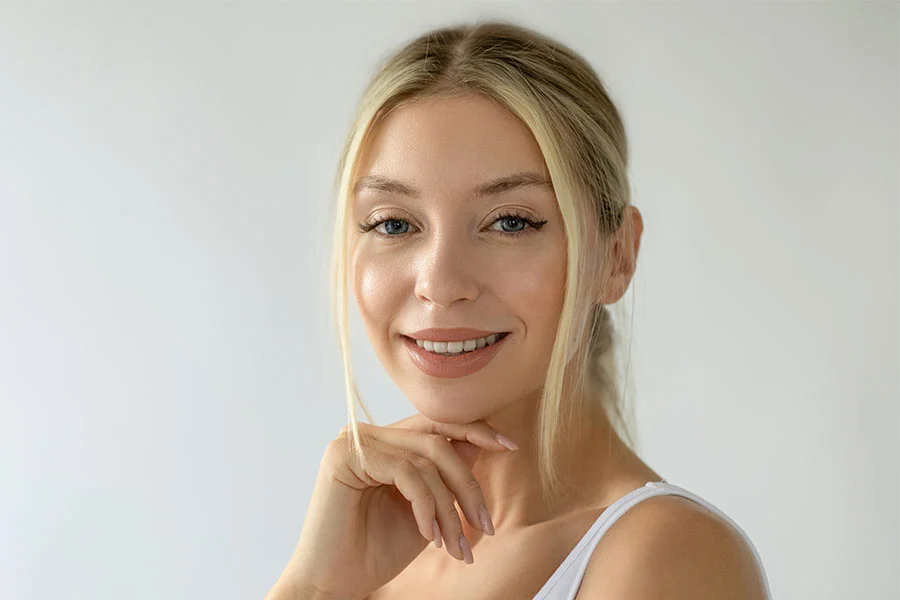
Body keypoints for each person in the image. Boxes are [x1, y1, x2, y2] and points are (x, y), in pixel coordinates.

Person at [265, 20, 772, 600]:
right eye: (394, 223)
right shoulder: (367, 559)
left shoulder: (667, 558)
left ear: (616, 255)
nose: (439, 283)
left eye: (510, 221)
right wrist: (312, 589)